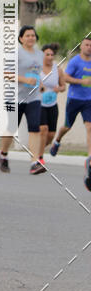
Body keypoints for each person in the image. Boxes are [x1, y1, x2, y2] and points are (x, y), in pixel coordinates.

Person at [0, 26, 45, 175]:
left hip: (33, 97)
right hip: (14, 97)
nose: (31, 38)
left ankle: (34, 162)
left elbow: (37, 72)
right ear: (21, 38)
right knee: (12, 127)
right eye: (27, 35)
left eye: (33, 35)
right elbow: (6, 74)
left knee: (35, 127)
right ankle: (3, 154)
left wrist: (40, 83)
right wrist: (24, 79)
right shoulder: (15, 53)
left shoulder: (40, 54)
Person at [49, 37, 91, 190]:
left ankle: (90, 158)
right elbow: (65, 77)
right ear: (81, 46)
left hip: (89, 101)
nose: (89, 48)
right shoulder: (75, 61)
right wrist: (81, 82)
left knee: (89, 127)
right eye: (86, 45)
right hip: (74, 99)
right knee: (67, 127)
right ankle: (58, 140)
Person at [39, 43, 65, 162]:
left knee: (51, 135)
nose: (50, 57)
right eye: (47, 54)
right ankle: (39, 157)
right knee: (43, 129)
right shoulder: (37, 68)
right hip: (39, 104)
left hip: (52, 104)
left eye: (52, 55)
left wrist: (58, 89)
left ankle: (37, 149)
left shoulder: (58, 69)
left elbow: (63, 86)